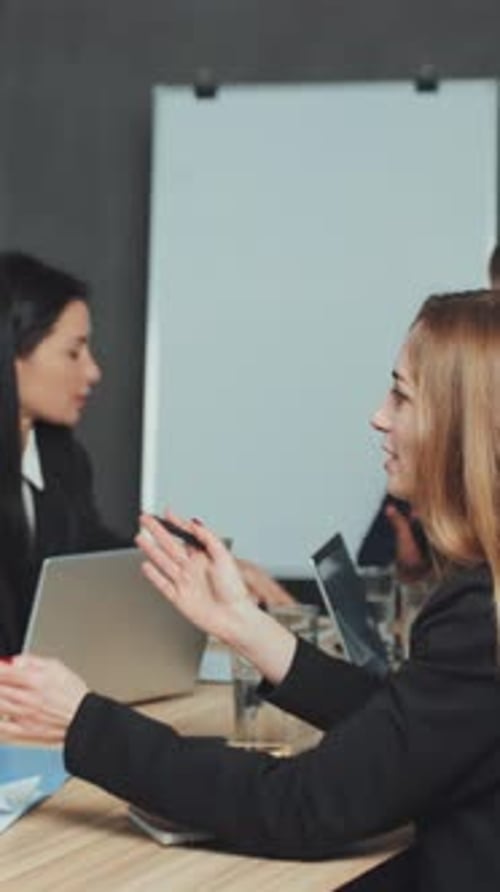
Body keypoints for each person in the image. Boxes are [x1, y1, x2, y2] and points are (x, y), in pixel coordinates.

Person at [2, 289, 500, 890]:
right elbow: (405, 731)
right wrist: (245, 626)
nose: (378, 416)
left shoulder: (481, 616)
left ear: (462, 425)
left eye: (402, 395)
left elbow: (305, 806)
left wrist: (84, 722)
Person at [0, 252, 125, 655]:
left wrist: (187, 566)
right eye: (74, 352)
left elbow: (90, 551)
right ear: (11, 355)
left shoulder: (62, 459)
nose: (93, 372)